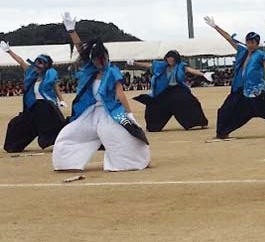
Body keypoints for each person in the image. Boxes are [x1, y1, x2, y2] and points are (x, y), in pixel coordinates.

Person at [52, 12, 150, 171]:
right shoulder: (90, 69)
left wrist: (129, 114)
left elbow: (120, 94)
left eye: (100, 59)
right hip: (90, 112)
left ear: (105, 57)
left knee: (123, 135)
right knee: (67, 135)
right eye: (95, 59)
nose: (97, 62)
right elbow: (80, 49)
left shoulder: (112, 71)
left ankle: (130, 162)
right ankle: (67, 163)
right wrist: (72, 31)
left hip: (111, 111)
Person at [204, 16, 265, 140]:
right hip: (240, 90)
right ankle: (222, 133)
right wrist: (215, 26)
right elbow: (228, 38)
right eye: (248, 42)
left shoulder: (260, 55)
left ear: (257, 44)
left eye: (253, 42)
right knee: (225, 110)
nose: (250, 44)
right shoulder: (242, 51)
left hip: (257, 92)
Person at [0, 41, 67, 152]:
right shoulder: (31, 73)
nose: (38, 65)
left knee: (54, 125)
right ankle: (14, 145)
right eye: (37, 62)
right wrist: (9, 51)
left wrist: (61, 100)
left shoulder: (50, 75)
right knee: (15, 124)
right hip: (33, 106)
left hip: (47, 106)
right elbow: (20, 61)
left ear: (46, 65)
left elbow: (56, 89)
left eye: (41, 63)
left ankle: (56, 142)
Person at [128, 50, 211, 132]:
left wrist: (204, 74)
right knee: (155, 105)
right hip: (166, 90)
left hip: (179, 89)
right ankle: (153, 126)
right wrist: (134, 63)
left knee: (192, 103)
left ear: (176, 59)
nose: (170, 60)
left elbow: (191, 70)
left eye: (172, 58)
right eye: (168, 58)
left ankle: (200, 122)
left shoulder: (181, 66)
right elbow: (149, 65)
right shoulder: (162, 66)